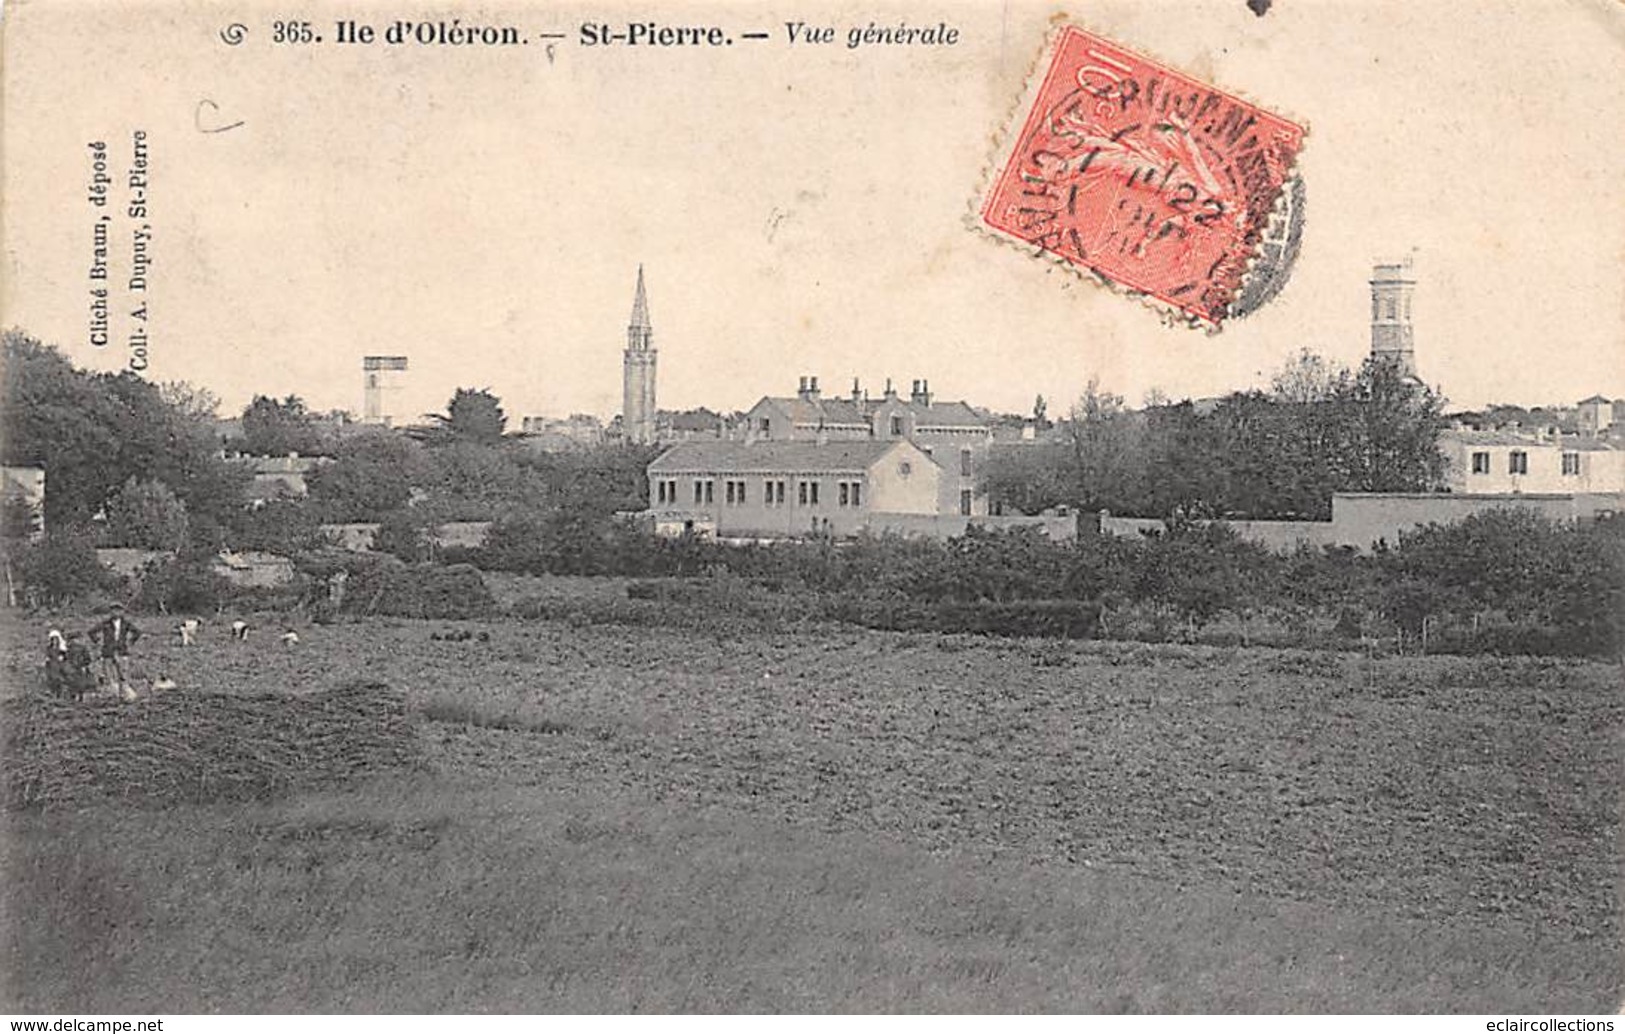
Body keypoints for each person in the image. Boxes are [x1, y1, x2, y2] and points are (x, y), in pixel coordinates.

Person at [88, 603, 142, 693]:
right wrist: (97, 641)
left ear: (122, 611)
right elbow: (91, 632)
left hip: (121, 650)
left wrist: (131, 641)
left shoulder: (126, 623)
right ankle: (113, 692)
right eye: (113, 610)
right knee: (109, 675)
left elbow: (137, 632)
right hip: (108, 651)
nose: (116, 612)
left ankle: (124, 692)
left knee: (123, 673)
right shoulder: (106, 624)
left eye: (118, 610)